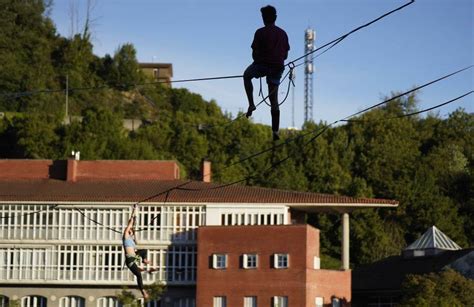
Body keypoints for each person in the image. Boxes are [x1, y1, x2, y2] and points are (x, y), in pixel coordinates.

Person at [244, 5, 290, 141]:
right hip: (277, 68)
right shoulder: (283, 33)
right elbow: (286, 55)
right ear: (275, 18)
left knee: (246, 75)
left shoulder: (260, 32)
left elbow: (254, 54)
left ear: (264, 18)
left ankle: (251, 104)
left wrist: (260, 62)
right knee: (274, 100)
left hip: (262, 66)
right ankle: (275, 131)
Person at [123, 204, 154, 300]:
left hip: (134, 257)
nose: (131, 231)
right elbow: (130, 222)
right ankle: (143, 292)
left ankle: (144, 260)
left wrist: (135, 233)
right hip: (130, 261)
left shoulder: (131, 239)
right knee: (139, 275)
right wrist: (134, 210)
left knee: (144, 250)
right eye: (130, 231)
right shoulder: (125, 236)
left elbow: (137, 242)